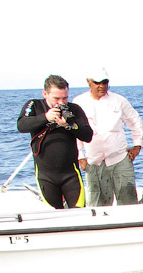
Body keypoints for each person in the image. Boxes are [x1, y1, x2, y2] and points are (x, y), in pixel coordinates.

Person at [17, 74, 94, 209]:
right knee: (53, 213)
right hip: (45, 175)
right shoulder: (34, 105)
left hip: (71, 174)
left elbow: (88, 135)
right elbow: (22, 125)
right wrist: (46, 117)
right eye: (56, 98)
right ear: (45, 94)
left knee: (79, 211)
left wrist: (69, 126)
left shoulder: (74, 109)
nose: (61, 102)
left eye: (65, 98)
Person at [73, 67, 143, 206]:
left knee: (128, 202)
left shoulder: (119, 100)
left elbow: (135, 121)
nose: (101, 86)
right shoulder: (78, 102)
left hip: (120, 159)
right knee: (98, 205)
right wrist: (80, 155)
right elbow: (75, 131)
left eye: (105, 82)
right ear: (89, 82)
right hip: (94, 161)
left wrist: (137, 146)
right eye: (97, 82)